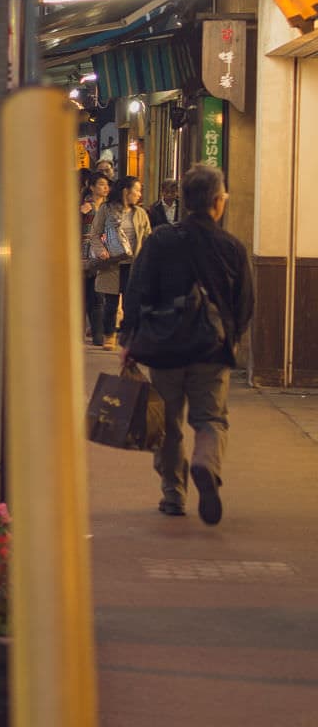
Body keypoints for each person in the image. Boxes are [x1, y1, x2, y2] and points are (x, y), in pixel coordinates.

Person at [121, 164, 255, 524]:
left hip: (164, 348)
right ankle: (205, 463)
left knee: (166, 425)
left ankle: (173, 494)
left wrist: (128, 337)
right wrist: (233, 338)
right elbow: (245, 301)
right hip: (211, 349)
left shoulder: (161, 240)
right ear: (217, 201)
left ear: (186, 200)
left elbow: (137, 288)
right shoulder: (232, 247)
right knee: (211, 419)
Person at [91, 174, 151, 347]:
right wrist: (101, 251)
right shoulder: (106, 209)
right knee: (111, 303)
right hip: (112, 262)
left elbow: (148, 237)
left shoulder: (140, 213)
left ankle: (128, 336)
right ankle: (109, 335)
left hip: (134, 263)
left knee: (131, 303)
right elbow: (95, 233)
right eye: (137, 190)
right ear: (126, 191)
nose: (139, 194)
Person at [80, 172, 111, 345]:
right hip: (84, 256)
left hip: (103, 255)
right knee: (85, 295)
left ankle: (98, 335)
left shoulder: (108, 208)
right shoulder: (84, 207)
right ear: (91, 187)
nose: (105, 188)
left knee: (98, 296)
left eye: (107, 184)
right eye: (101, 184)